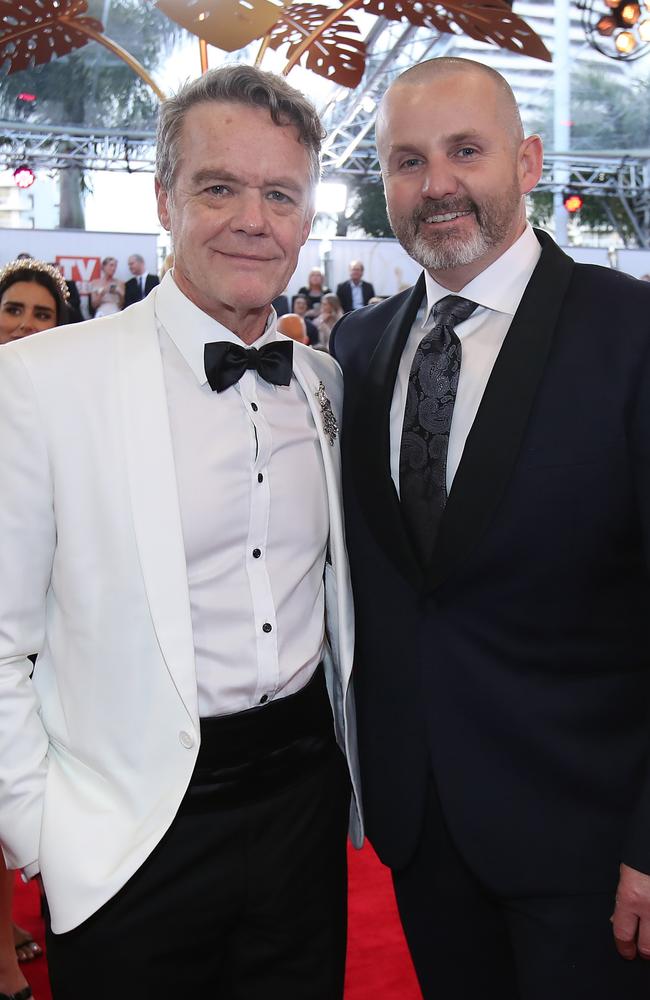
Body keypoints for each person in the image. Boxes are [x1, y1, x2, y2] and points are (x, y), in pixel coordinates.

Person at [0, 64, 362, 1000]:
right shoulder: (44, 382)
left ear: (308, 218)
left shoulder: (321, 385)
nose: (253, 218)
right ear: (164, 200)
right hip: (129, 833)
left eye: (280, 193)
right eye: (219, 187)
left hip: (302, 810)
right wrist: (42, 830)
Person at [330, 55, 650, 1000]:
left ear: (530, 160)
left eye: (466, 151)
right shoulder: (358, 347)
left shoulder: (631, 336)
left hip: (590, 844)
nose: (437, 186)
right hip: (423, 830)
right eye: (406, 160)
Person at [0, 257, 70, 1000]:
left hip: (33, 634)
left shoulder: (60, 406)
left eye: (41, 314)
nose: (24, 323)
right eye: (14, 308)